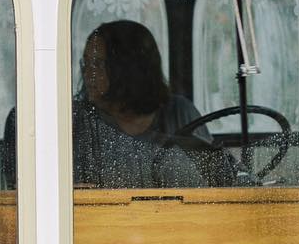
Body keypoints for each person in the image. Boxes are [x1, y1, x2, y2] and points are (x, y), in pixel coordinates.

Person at [73, 20, 224, 188]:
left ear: (127, 69)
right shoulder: (79, 120)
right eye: (85, 63)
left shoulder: (179, 112)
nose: (88, 73)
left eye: (98, 65)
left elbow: (213, 177)